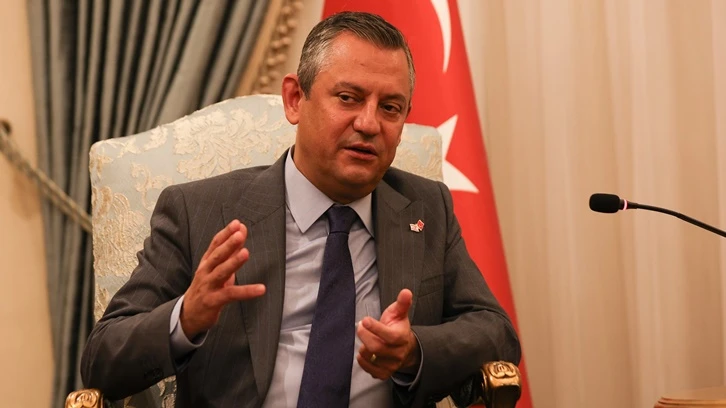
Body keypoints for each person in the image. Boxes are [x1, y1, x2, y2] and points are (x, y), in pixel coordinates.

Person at [80, 11, 521, 408]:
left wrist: (413, 351)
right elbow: (103, 358)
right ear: (295, 99)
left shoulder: (425, 207)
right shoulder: (199, 211)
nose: (369, 123)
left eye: (390, 108)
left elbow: (495, 333)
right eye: (348, 97)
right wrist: (186, 318)